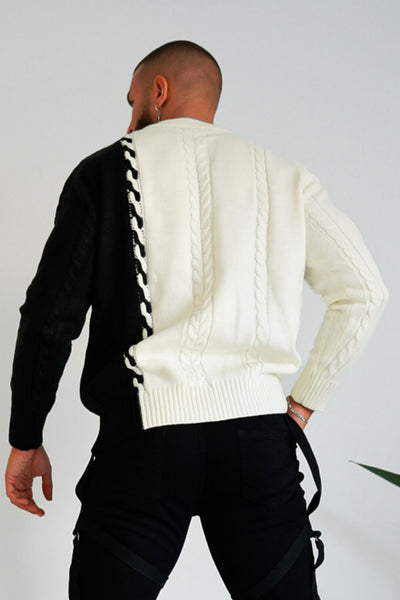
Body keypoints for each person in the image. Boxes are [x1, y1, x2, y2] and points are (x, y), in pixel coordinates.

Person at [5, 39, 389, 600]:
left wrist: (26, 437)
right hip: (257, 444)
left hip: (144, 446)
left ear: (158, 92)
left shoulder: (104, 172)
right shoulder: (283, 177)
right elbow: (365, 291)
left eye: (132, 100)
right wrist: (303, 403)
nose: (128, 120)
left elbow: (49, 317)